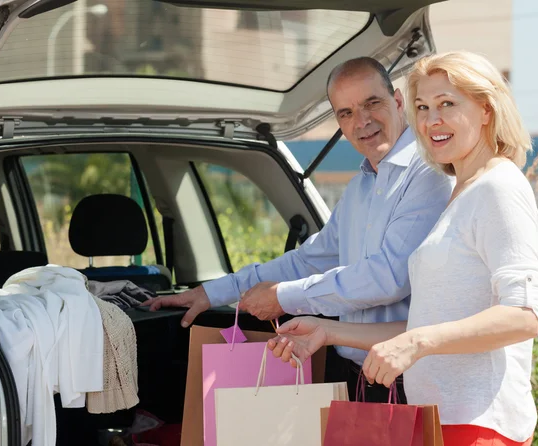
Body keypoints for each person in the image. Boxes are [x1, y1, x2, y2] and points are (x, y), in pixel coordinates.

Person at [267, 50, 538, 446]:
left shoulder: (499, 186)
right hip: (437, 418)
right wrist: (327, 331)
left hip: (480, 424)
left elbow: (525, 315)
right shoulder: (462, 193)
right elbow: (427, 325)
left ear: (486, 109)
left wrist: (416, 343)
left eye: (448, 103)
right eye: (423, 106)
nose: (432, 120)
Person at [143, 57, 454, 403]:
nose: (362, 121)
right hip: (362, 383)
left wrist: (283, 296)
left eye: (372, 103)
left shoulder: (428, 174)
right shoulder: (359, 189)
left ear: (397, 102)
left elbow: (389, 277)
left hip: (411, 385)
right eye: (346, 113)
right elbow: (307, 260)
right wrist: (210, 294)